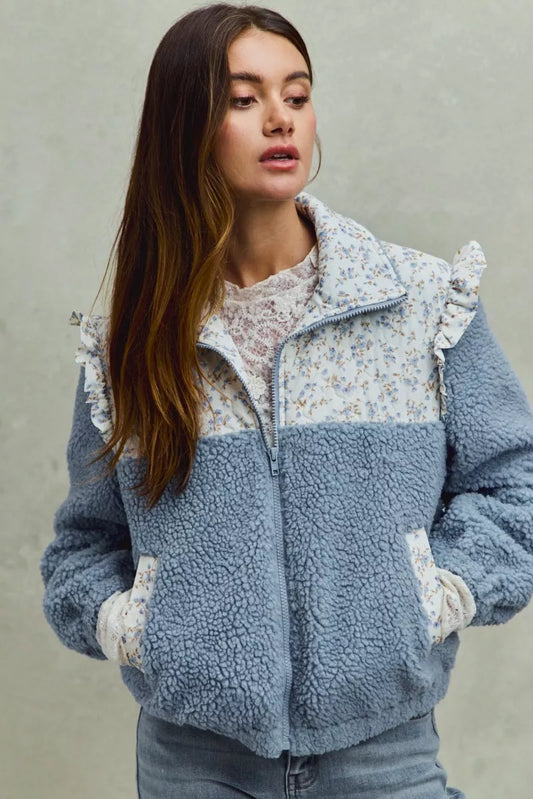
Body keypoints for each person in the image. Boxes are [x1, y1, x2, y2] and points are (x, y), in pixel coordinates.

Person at [40, 4, 533, 798]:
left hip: (383, 752)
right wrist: (133, 626)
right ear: (184, 126)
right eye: (243, 99)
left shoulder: (418, 305)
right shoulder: (133, 340)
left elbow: (516, 484)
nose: (279, 118)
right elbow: (82, 546)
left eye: (296, 96)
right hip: (195, 762)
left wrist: (436, 594)